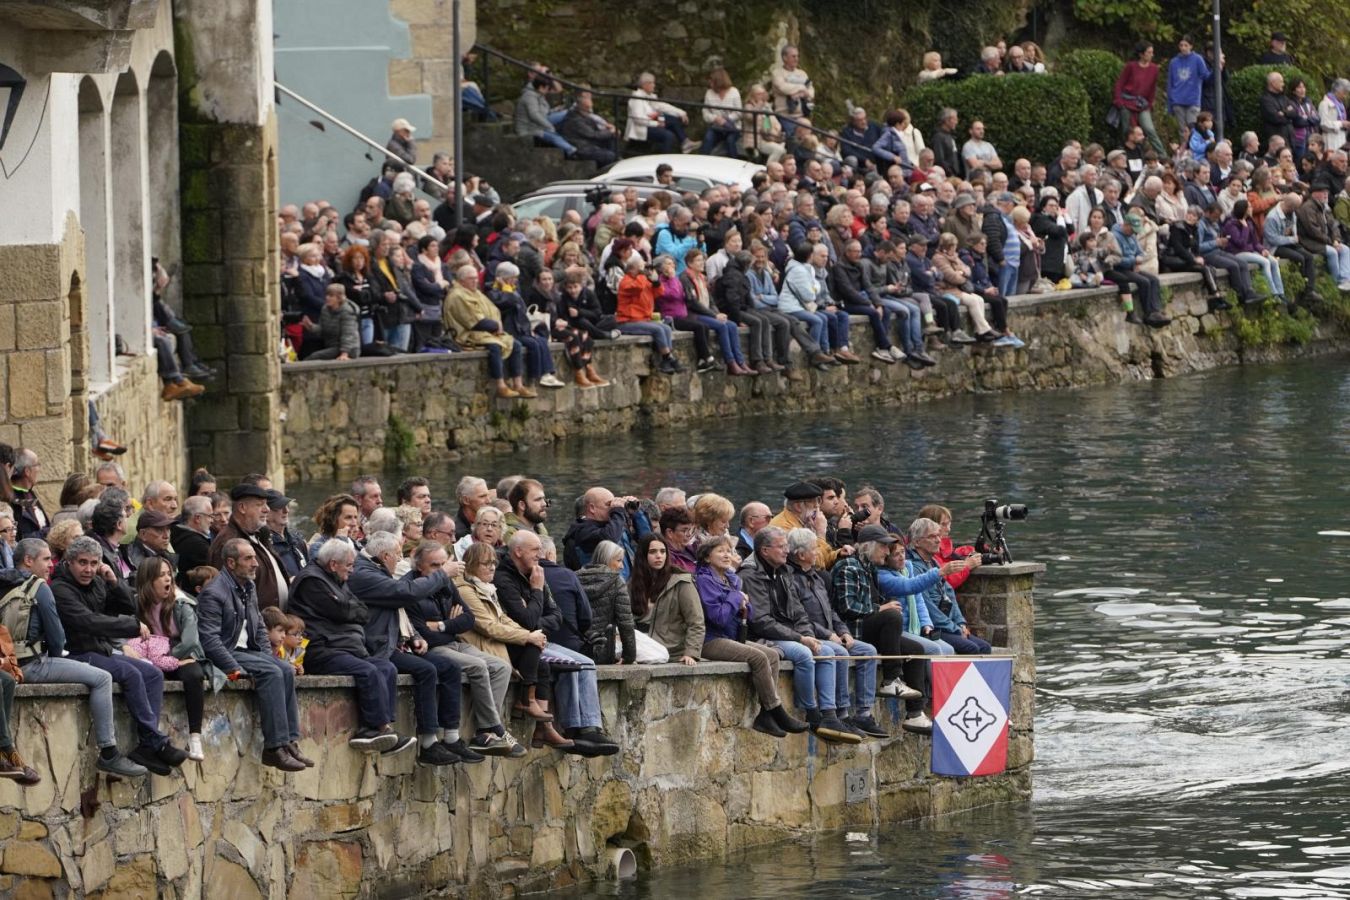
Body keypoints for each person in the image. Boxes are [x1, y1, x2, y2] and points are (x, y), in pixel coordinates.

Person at [51, 536, 191, 775]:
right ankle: (155, 742)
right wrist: (131, 627)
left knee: (153, 674)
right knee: (130, 673)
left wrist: (114, 582)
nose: (88, 569)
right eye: (82, 563)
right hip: (75, 653)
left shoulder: (96, 583)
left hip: (100, 650)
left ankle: (148, 745)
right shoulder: (60, 589)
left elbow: (129, 607)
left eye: (94, 563)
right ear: (69, 562)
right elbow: (88, 622)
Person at [7, 537, 146, 777]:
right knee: (102, 678)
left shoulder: (5, 582)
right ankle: (109, 752)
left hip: (7, 665)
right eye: (46, 559)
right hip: (31, 663)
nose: (51, 564)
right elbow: (57, 639)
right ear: (29, 560)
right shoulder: (41, 587)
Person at [348, 531, 480, 766]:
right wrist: (442, 574)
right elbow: (404, 594)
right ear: (385, 556)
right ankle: (428, 742)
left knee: (449, 667)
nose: (400, 560)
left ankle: (451, 737)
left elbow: (399, 611)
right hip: (379, 648)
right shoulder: (364, 574)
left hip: (396, 642)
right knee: (426, 670)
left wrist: (415, 637)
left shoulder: (378, 570)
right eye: (398, 555)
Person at [287, 540, 415, 756]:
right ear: (333, 564)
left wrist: (347, 609)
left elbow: (362, 611)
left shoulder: (337, 579)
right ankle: (373, 730)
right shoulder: (311, 580)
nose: (352, 570)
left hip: (347, 647)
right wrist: (347, 610)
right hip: (323, 649)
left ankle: (383, 730)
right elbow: (340, 611)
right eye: (349, 565)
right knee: (368, 671)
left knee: (387, 668)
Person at [495, 531, 618, 755]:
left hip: (538, 638)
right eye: (534, 550)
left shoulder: (536, 573)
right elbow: (525, 620)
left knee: (586, 663)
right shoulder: (505, 578)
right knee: (570, 664)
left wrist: (535, 618)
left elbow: (556, 615)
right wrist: (536, 591)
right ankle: (573, 728)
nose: (539, 554)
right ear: (518, 551)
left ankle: (590, 728)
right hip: (518, 643)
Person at [196, 538, 310, 770]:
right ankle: (274, 748)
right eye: (248, 558)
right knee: (272, 673)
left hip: (248, 651)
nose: (255, 563)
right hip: (228, 652)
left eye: (254, 557)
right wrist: (233, 669)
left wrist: (269, 656)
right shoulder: (214, 592)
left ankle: (290, 741)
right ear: (231, 563)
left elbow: (258, 627)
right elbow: (210, 640)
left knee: (285, 669)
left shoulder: (248, 587)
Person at [739, 528, 859, 743]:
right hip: (761, 636)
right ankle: (811, 714)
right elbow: (761, 621)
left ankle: (830, 714)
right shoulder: (750, 575)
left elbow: (798, 611)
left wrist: (807, 635)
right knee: (804, 654)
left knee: (826, 650)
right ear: (765, 551)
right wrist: (800, 639)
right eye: (781, 546)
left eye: (787, 545)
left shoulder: (783, 571)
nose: (787, 551)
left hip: (788, 631)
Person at [454, 541, 571, 751]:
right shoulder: (466, 591)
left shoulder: (486, 588)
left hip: (495, 643)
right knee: (522, 653)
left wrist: (530, 634)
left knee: (542, 664)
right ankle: (494, 727)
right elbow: (488, 626)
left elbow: (505, 619)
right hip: (482, 645)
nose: (492, 567)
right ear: (471, 565)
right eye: (486, 563)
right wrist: (527, 635)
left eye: (493, 563)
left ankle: (542, 726)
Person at [688, 533, 807, 737]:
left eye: (729, 551)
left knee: (772, 655)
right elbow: (718, 617)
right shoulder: (705, 580)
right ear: (707, 557)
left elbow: (746, 614)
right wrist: (736, 599)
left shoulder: (731, 579)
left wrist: (744, 605)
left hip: (731, 636)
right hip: (710, 640)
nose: (727, 555)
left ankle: (766, 716)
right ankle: (776, 710)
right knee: (758, 657)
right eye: (720, 551)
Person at [830, 525, 932, 733]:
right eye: (883, 547)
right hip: (852, 630)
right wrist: (880, 608)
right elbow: (847, 607)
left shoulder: (870, 568)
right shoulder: (848, 567)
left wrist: (882, 606)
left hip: (868, 627)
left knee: (916, 650)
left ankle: (915, 713)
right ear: (869, 546)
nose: (887, 552)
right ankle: (891, 678)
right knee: (891, 615)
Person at [124, 557, 210, 761]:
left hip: (178, 651)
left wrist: (169, 659)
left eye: (168, 574)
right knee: (143, 676)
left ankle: (195, 736)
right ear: (148, 580)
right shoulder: (135, 603)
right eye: (161, 575)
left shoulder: (181, 603)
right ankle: (149, 739)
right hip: (149, 653)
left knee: (194, 674)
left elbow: (190, 641)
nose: (167, 579)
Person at [443, 263, 533, 399]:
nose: (475, 281)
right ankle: (500, 385)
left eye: (476, 278)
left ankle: (518, 384)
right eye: (471, 278)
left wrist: (496, 324)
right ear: (461, 280)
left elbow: (493, 310)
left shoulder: (476, 293)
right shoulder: (457, 296)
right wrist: (495, 326)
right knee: (495, 346)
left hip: (486, 331)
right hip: (467, 334)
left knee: (515, 344)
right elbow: (473, 321)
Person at [907, 519, 992, 654]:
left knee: (985, 647)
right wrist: (955, 628)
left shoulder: (933, 562)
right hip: (932, 627)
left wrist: (961, 623)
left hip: (949, 625)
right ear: (917, 542)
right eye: (932, 536)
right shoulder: (914, 568)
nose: (938, 540)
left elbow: (949, 593)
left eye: (938, 535)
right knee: (971, 648)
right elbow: (928, 608)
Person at [577, 540, 637, 664]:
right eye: (619, 560)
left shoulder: (574, 578)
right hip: (603, 652)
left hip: (575, 650)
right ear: (607, 559)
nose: (622, 566)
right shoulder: (617, 583)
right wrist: (629, 656)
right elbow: (626, 624)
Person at [1297, 182, 1350, 290]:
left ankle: (1345, 280)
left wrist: (1336, 240)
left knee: (1345, 249)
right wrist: (1331, 242)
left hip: (1327, 241)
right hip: (1310, 241)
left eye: (1327, 192)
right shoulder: (1307, 208)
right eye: (1322, 192)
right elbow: (1313, 231)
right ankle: (1336, 282)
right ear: (1314, 194)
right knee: (1332, 252)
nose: (1326, 194)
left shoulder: (1325, 207)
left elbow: (1334, 225)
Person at [626, 72, 689, 153]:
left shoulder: (651, 97)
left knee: (673, 120)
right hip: (642, 128)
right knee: (668, 136)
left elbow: (663, 107)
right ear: (645, 85)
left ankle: (685, 142)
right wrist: (657, 123)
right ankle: (664, 158)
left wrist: (681, 113)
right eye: (652, 83)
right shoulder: (637, 98)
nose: (654, 85)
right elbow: (639, 119)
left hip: (652, 122)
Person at [1167, 36, 1209, 143]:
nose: (1183, 48)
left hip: (1192, 100)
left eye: (1186, 45)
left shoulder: (1197, 59)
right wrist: (1170, 104)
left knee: (1193, 128)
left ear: (1191, 46)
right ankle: (1184, 148)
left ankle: (1194, 148)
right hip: (1178, 100)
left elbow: (1205, 75)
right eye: (1181, 45)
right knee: (1182, 130)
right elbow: (1170, 83)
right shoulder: (1174, 62)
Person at [700, 67, 742, 158]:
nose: (709, 83)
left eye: (711, 80)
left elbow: (739, 112)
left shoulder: (734, 92)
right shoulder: (709, 93)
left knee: (730, 141)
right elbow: (705, 111)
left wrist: (726, 120)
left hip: (732, 127)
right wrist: (715, 118)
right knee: (708, 138)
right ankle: (702, 161)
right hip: (716, 127)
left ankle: (734, 162)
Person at [771, 45, 814, 125]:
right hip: (785, 117)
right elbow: (783, 88)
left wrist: (801, 94)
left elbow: (811, 92)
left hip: (802, 115)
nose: (796, 59)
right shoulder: (777, 73)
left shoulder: (802, 73)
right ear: (785, 58)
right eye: (793, 56)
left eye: (797, 56)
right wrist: (802, 88)